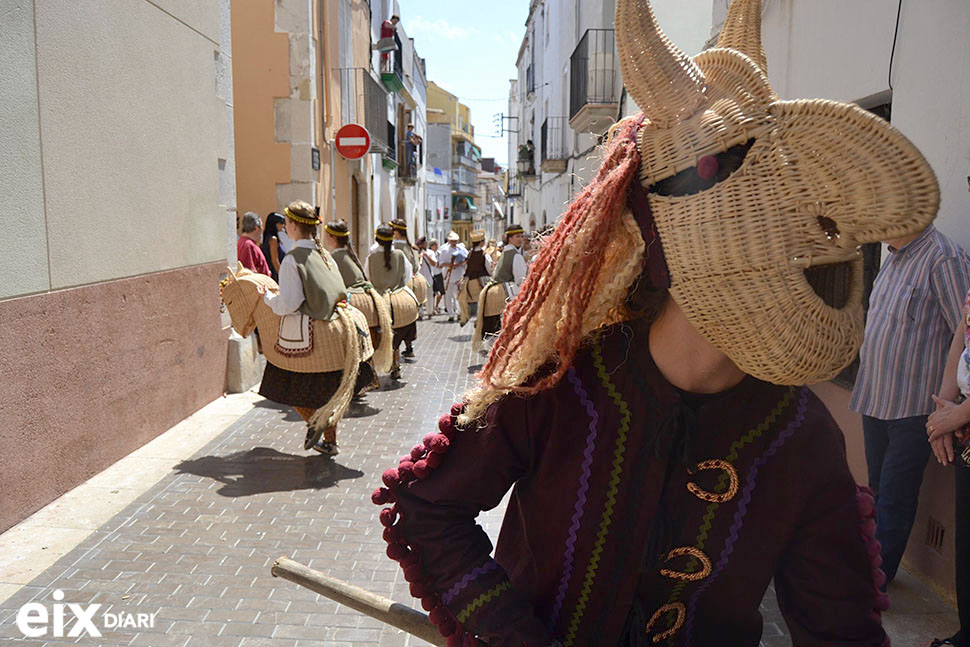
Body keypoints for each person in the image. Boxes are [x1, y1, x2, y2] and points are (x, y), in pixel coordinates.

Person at [372, 0, 942, 644]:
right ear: (676, 239)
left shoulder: (797, 438)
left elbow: (842, 629)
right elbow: (427, 510)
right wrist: (512, 635)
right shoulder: (561, 383)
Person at [849, 223, 970, 585]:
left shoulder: (943, 259)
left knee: (895, 497)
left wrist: (950, 408)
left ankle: (874, 582)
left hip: (915, 404)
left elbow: (962, 335)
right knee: (879, 489)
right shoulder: (893, 258)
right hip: (877, 395)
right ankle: (871, 569)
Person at [257, 202, 357, 456]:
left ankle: (316, 424)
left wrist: (268, 298)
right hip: (337, 329)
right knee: (327, 392)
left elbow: (290, 303)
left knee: (288, 383)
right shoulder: (325, 256)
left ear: (292, 225)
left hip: (311, 336)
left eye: (287, 224)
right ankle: (330, 441)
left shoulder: (293, 259)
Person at [323, 219, 389, 389]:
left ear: (332, 237)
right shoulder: (350, 255)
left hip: (355, 301)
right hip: (369, 299)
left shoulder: (333, 257)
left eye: (327, 235)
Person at [368, 224, 418, 380]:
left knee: (376, 332)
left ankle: (374, 370)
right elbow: (407, 276)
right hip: (399, 297)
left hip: (379, 300)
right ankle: (396, 364)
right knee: (397, 333)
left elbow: (367, 278)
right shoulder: (400, 255)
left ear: (377, 239)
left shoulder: (371, 257)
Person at [472, 224, 528, 352]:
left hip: (493, 292)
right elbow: (521, 280)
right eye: (517, 236)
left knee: (494, 329)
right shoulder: (516, 255)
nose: (520, 239)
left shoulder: (504, 253)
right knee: (503, 328)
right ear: (509, 238)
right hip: (504, 294)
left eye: (521, 236)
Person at [391, 218, 424, 358]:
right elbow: (416, 267)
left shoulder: (395, 248)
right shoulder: (411, 247)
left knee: (395, 317)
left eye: (393, 230)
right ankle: (409, 346)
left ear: (397, 232)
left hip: (399, 285)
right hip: (412, 286)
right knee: (410, 318)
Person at [458, 230, 493, 327]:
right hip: (482, 281)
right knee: (484, 302)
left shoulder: (469, 254)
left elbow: (466, 267)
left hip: (469, 282)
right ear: (481, 242)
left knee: (465, 300)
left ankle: (465, 316)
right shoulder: (484, 254)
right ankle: (479, 320)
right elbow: (489, 268)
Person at [437, 231, 467, 322]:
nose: (454, 243)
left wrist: (461, 263)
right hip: (449, 276)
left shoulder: (462, 249)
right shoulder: (444, 250)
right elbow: (441, 263)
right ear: (449, 241)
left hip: (459, 275)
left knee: (459, 296)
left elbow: (467, 259)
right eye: (452, 241)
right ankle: (451, 314)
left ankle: (459, 312)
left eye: (455, 241)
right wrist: (451, 265)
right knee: (448, 296)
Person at [237, 212, 271, 276]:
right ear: (256, 227)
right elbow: (250, 273)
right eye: (261, 226)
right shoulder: (248, 245)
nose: (262, 229)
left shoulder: (244, 242)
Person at [261, 212, 286, 282]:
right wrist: (283, 276)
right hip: (275, 275)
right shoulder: (273, 239)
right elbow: (275, 261)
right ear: (275, 224)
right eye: (281, 223)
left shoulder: (267, 237)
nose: (283, 226)